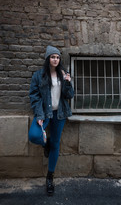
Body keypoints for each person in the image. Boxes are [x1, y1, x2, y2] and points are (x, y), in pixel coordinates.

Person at [28, 46, 74, 196]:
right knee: (34, 135)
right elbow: (34, 96)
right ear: (48, 59)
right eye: (53, 57)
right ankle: (45, 144)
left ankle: (50, 177)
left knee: (56, 143)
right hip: (45, 113)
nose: (55, 59)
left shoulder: (63, 74)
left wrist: (67, 82)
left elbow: (69, 95)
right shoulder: (39, 75)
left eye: (58, 57)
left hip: (59, 114)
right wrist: (39, 115)